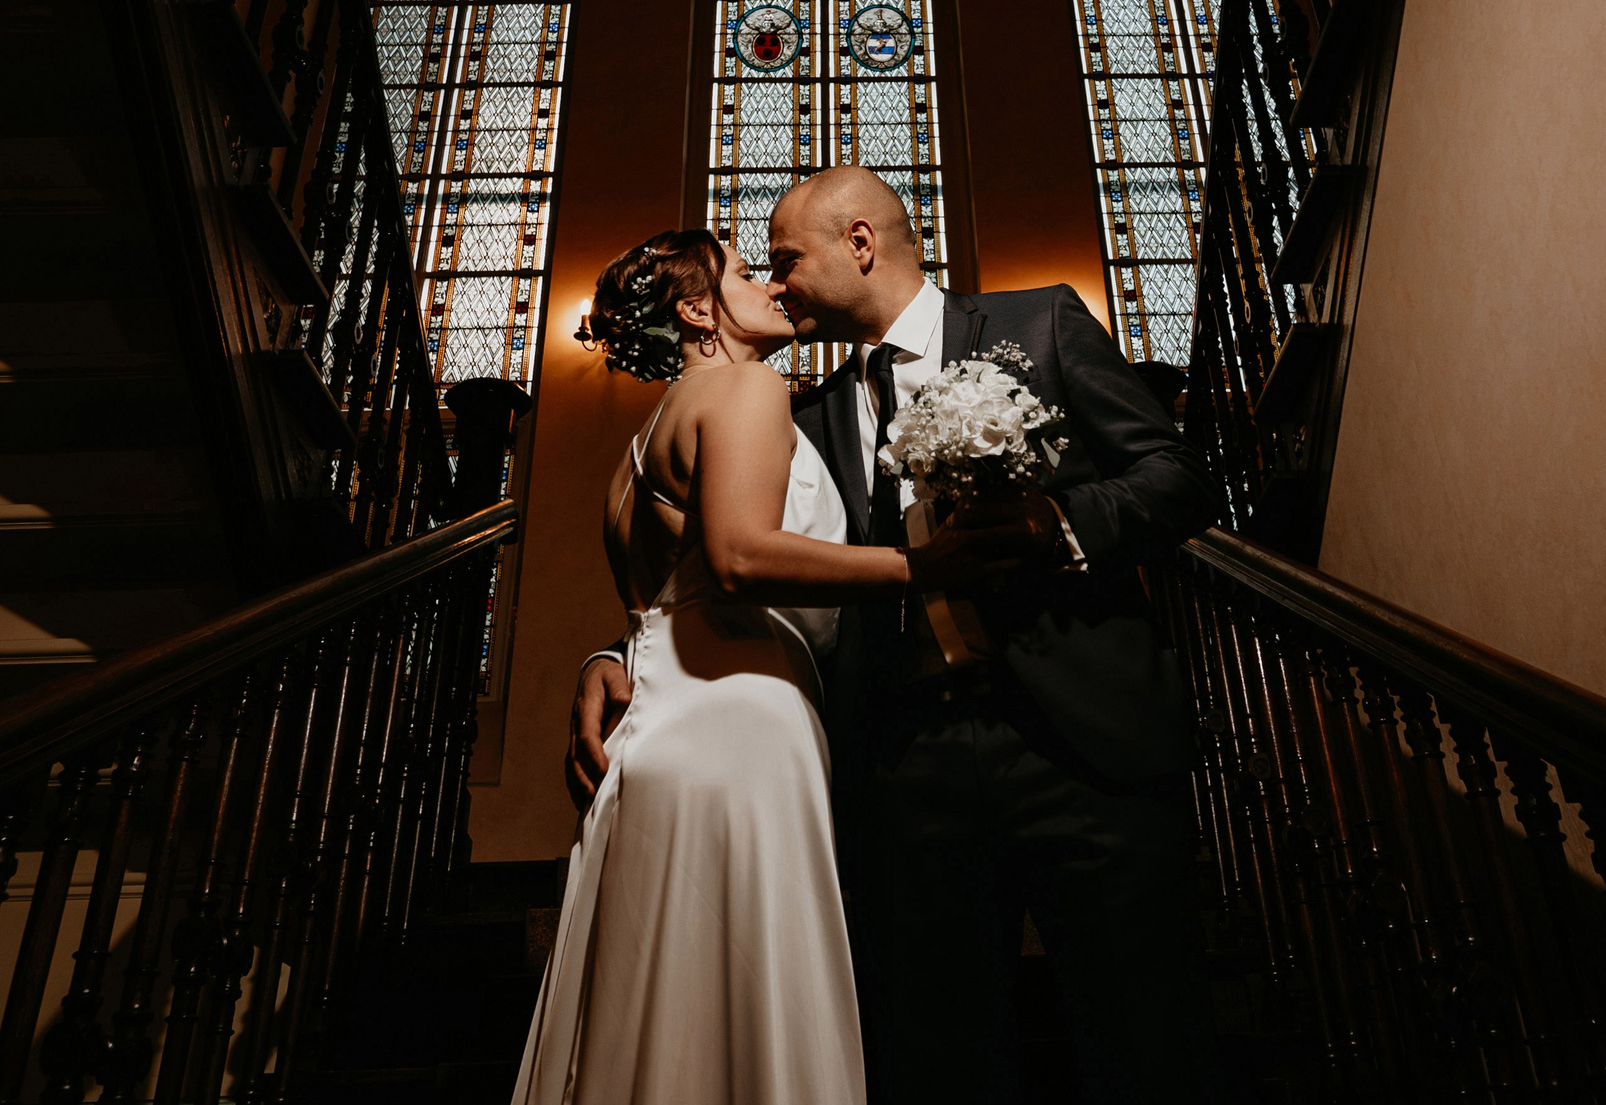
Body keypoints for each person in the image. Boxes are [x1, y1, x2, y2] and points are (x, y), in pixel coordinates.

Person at [568, 170, 1221, 1105]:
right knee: (941, 1057)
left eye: (785, 260)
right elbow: (722, 558)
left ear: (861, 244)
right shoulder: (792, 412)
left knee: (1145, 1040)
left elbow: (1179, 476)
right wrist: (619, 655)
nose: (778, 283)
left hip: (1082, 746)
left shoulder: (1038, 325)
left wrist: (1056, 523)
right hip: (905, 766)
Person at [512, 227, 1025, 1105]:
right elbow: (741, 556)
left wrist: (606, 658)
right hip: (744, 719)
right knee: (752, 1005)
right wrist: (922, 566)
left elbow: (657, 609)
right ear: (698, 308)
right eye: (749, 273)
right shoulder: (747, 386)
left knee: (659, 1008)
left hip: (658, 734)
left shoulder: (631, 458)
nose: (772, 287)